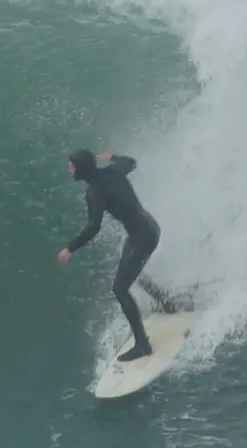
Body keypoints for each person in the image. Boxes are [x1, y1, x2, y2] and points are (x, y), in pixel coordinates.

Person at [56, 148, 172, 364]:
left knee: (120, 288)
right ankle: (167, 303)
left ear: (81, 169)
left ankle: (142, 345)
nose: (68, 169)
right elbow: (131, 161)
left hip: (142, 237)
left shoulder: (94, 192)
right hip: (148, 229)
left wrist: (70, 248)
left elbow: (93, 227)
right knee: (127, 273)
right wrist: (113, 157)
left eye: (72, 166)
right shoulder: (113, 172)